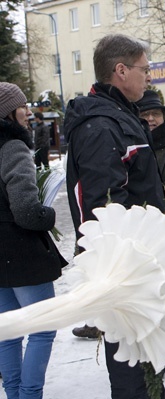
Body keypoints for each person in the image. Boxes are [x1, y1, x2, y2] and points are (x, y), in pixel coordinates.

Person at [63, 34, 165, 399]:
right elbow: (104, 208)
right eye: (145, 69)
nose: (148, 77)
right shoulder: (100, 125)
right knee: (133, 375)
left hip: (142, 262)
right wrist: (135, 261)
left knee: (147, 366)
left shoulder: (118, 115)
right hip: (125, 271)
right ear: (120, 71)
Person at [0, 82, 67, 399]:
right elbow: (26, 211)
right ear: (9, 113)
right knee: (42, 328)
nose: (28, 111)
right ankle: (28, 396)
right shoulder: (12, 147)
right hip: (22, 253)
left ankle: (14, 394)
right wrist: (49, 216)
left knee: (8, 332)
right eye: (22, 105)